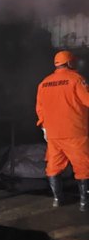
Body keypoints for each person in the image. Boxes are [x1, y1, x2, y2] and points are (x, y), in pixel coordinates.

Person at [36, 50, 89, 211]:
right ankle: (84, 203)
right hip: (75, 131)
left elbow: (40, 109)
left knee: (53, 166)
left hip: (53, 133)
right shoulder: (77, 79)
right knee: (83, 166)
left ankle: (58, 199)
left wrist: (44, 127)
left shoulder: (44, 83)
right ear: (71, 63)